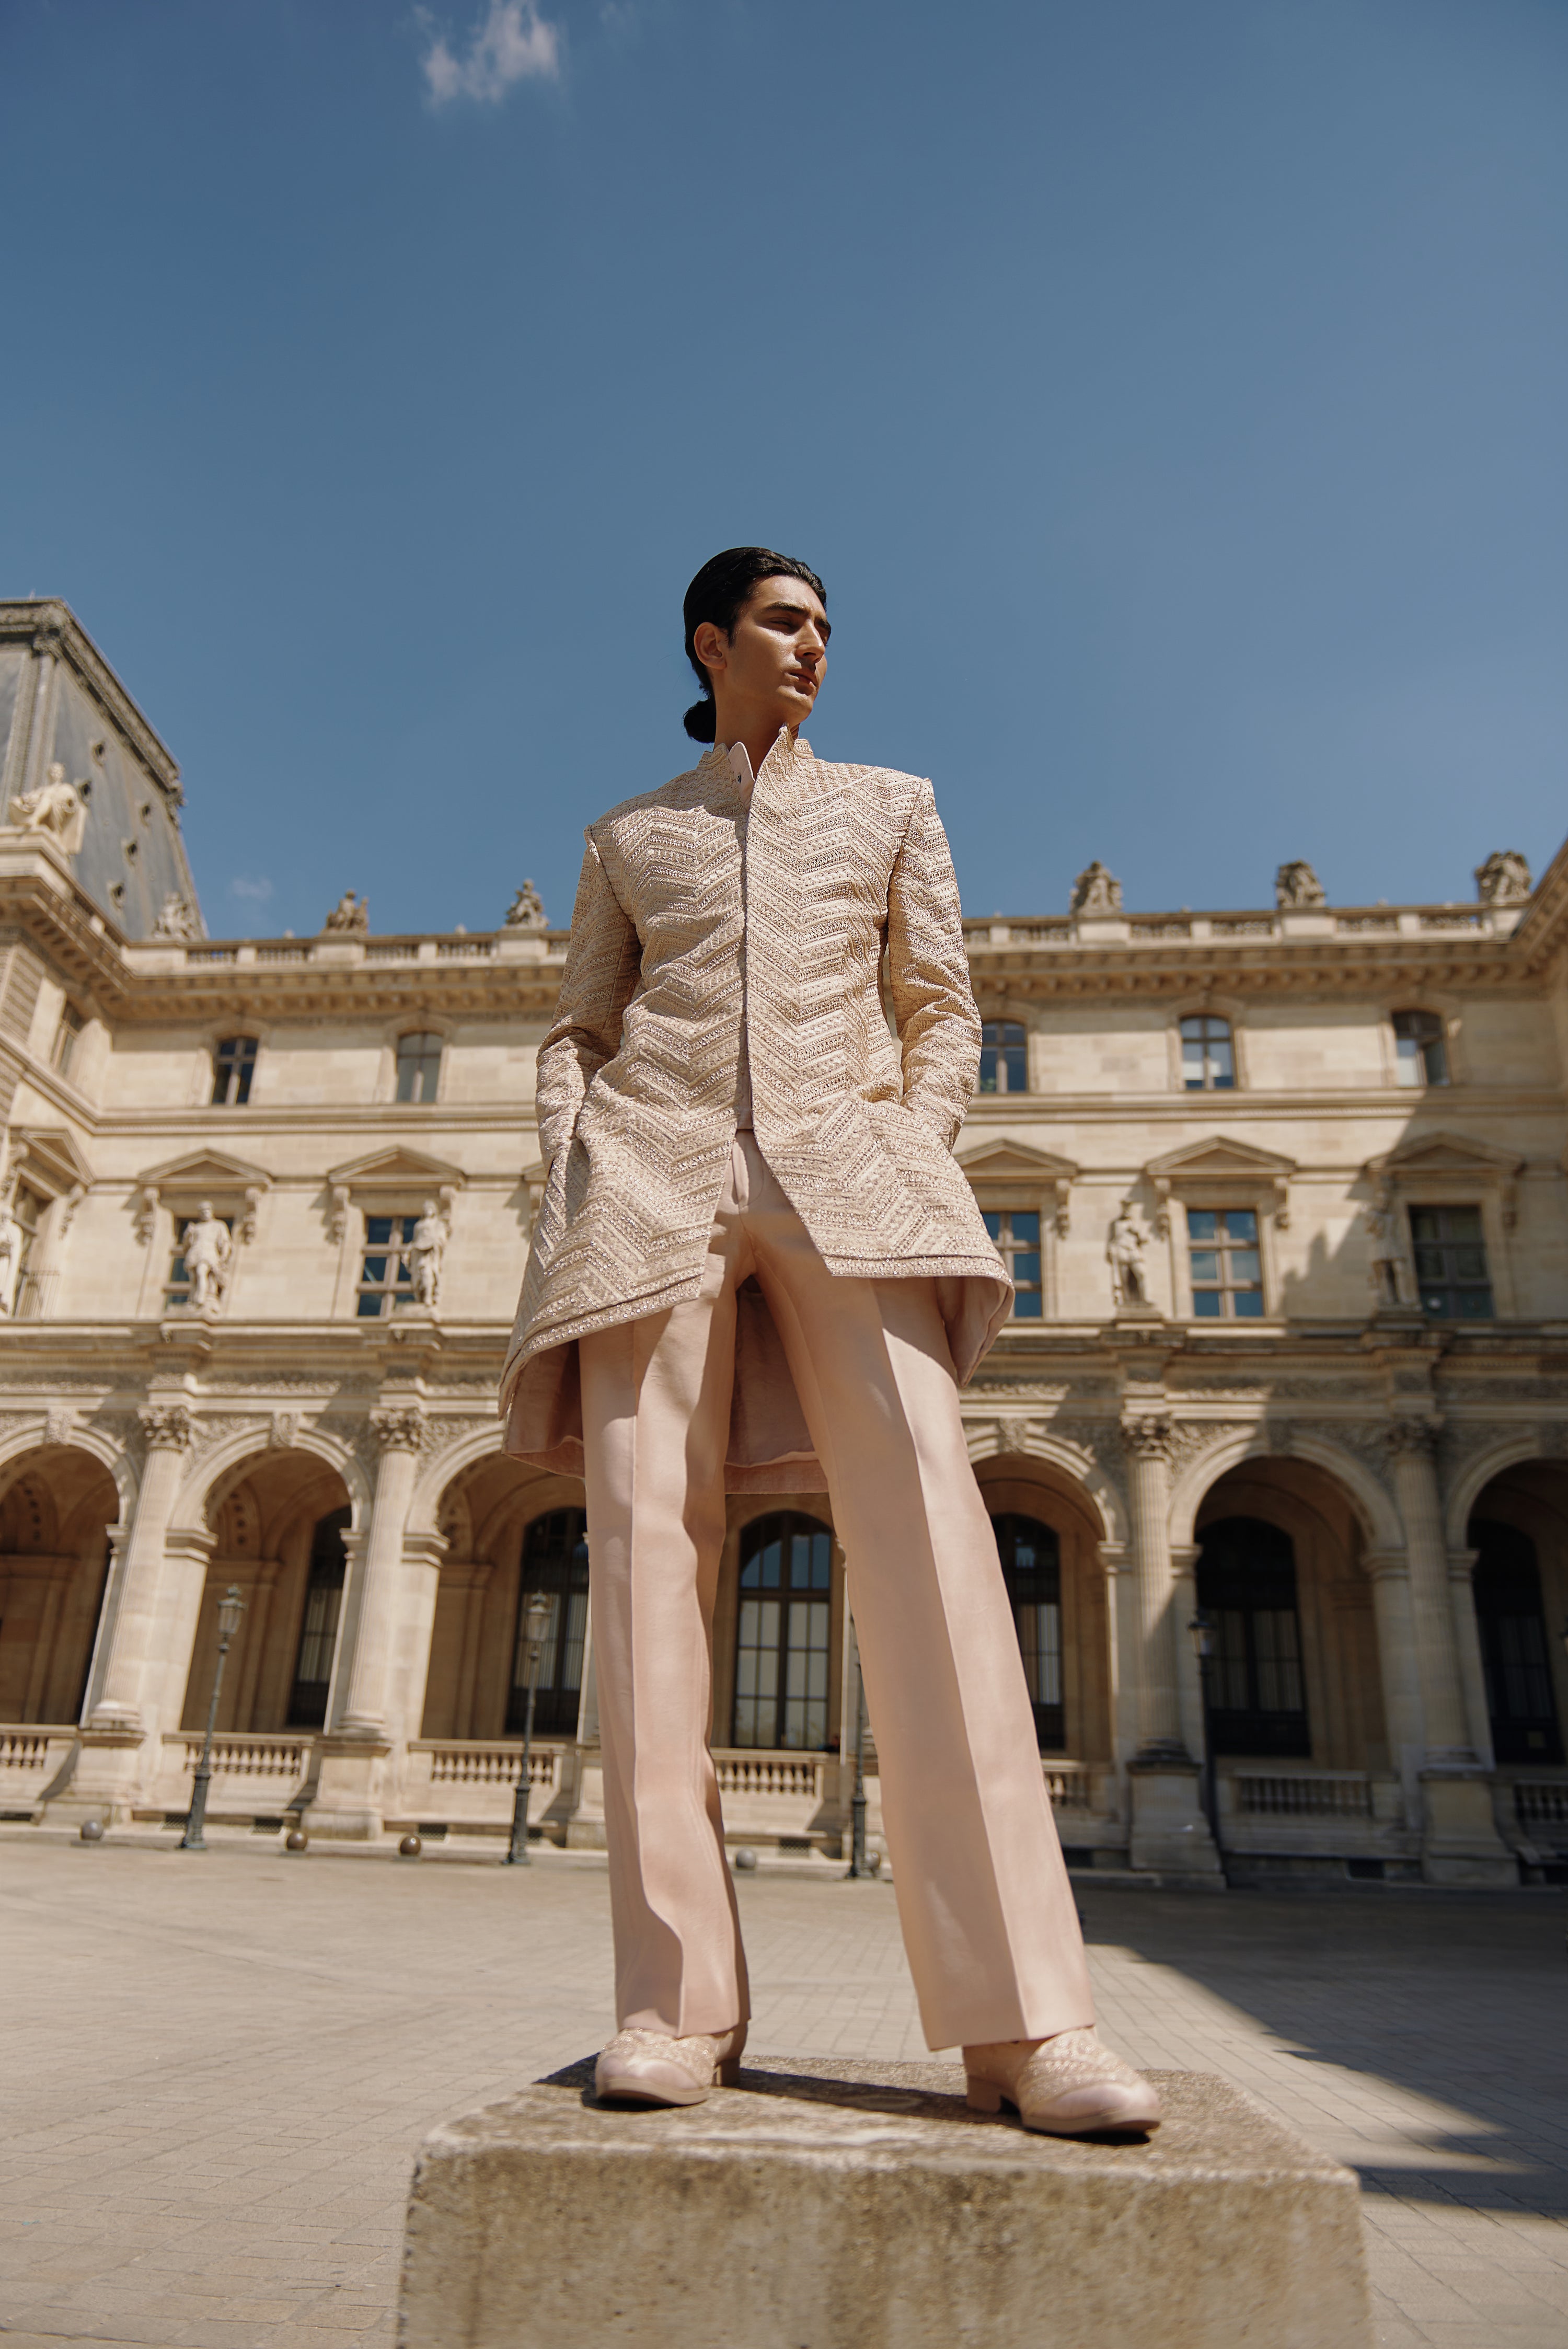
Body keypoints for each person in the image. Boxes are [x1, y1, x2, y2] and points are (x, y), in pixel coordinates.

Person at [500, 548, 1159, 2137]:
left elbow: (944, 1003)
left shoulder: (892, 806)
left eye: (826, 631)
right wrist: (575, 1153)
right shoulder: (629, 836)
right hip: (649, 1181)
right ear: (712, 642)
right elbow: (580, 1029)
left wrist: (916, 1140)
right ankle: (672, 2005)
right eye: (787, 624)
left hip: (853, 1179)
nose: (815, 649)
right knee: (647, 1580)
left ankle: (1031, 2026)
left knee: (938, 1551)